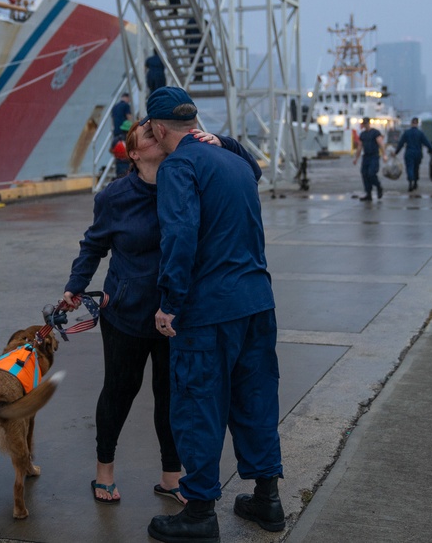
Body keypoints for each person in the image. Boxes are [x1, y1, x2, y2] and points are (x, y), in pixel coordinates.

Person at [64, 118, 251, 508]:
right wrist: (75, 285)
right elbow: (93, 244)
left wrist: (222, 141)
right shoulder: (115, 196)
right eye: (147, 133)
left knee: (171, 397)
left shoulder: (185, 183)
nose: (157, 133)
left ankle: (171, 477)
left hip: (175, 315)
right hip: (126, 313)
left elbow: (250, 173)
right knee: (120, 392)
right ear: (133, 153)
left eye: (158, 129)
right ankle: (105, 471)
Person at [143, 87, 285, 542]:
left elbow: (180, 237)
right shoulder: (235, 160)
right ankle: (267, 499)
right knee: (256, 399)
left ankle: (200, 511)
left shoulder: (179, 166)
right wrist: (227, 140)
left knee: (198, 404)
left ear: (159, 128)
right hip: (257, 302)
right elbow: (258, 168)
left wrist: (169, 302)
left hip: (209, 311)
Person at [395, 117, 432, 192]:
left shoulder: (406, 133)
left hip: (409, 152)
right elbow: (426, 143)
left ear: (411, 123)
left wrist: (396, 152)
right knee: (416, 168)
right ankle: (415, 183)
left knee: (409, 168)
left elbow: (401, 143)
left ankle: (410, 182)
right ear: (417, 123)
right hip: (418, 153)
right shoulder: (420, 133)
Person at [352, 117, 386, 201]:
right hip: (366, 156)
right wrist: (356, 158)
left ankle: (378, 187)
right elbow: (360, 147)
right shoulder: (362, 134)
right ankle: (368, 193)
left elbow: (381, 143)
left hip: (374, 156)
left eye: (366, 123)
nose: (365, 125)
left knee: (371, 173)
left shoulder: (375, 133)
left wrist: (384, 155)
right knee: (364, 174)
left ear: (369, 123)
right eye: (364, 124)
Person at [110, 92, 134, 178]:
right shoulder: (126, 106)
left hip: (116, 132)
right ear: (127, 98)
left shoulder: (115, 107)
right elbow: (129, 117)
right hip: (124, 132)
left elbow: (113, 120)